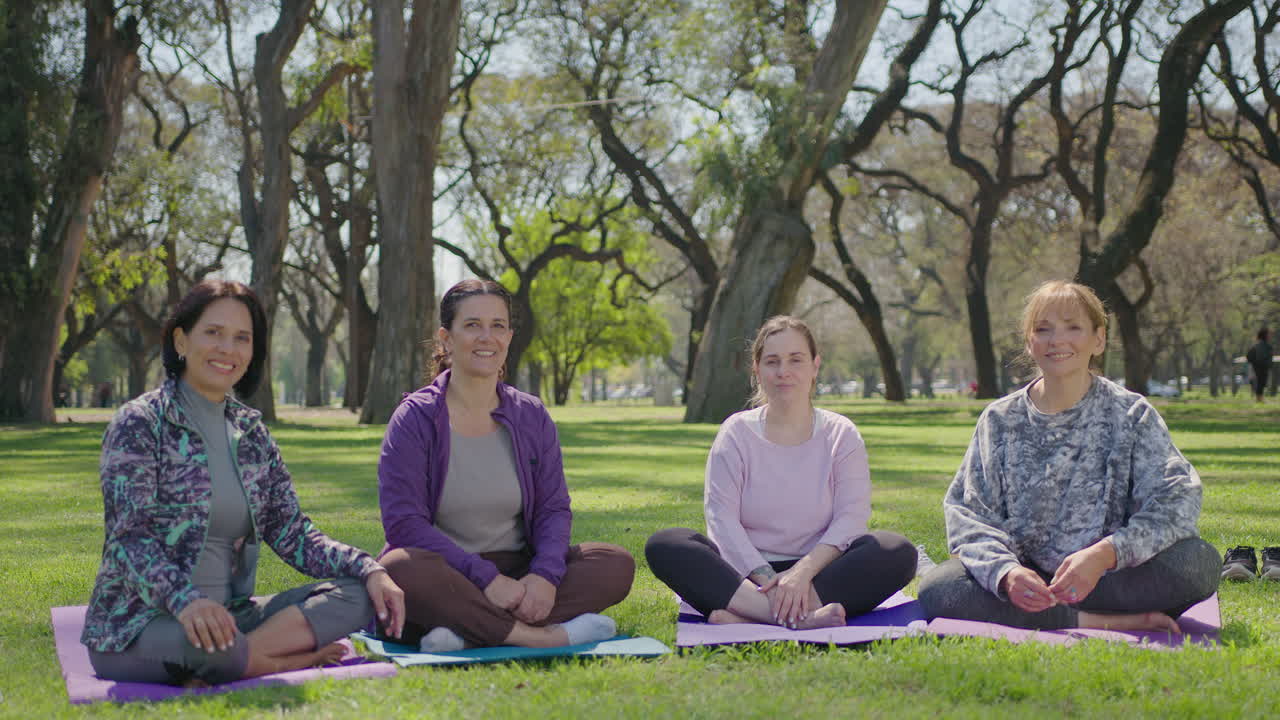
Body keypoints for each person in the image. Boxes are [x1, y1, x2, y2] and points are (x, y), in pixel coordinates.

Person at [81, 279, 404, 687]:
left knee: (357, 595)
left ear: (253, 352)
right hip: (144, 623)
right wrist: (188, 602)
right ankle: (279, 661)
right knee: (212, 646)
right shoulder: (140, 423)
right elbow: (130, 540)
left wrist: (370, 568)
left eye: (241, 338)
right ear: (181, 341)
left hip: (234, 617)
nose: (227, 349)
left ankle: (244, 657)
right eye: (213, 333)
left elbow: (292, 533)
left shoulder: (252, 433)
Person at [918, 280, 1219, 632]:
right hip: (1028, 584)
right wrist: (1007, 573)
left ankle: (1052, 618)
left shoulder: (1132, 414)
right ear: (1029, 342)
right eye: (1043, 330)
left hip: (1108, 575)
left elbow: (1177, 500)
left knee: (1199, 563)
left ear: (1099, 339)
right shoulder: (999, 420)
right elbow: (968, 515)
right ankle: (1100, 622)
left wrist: (1106, 554)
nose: (1057, 341)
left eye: (1073, 328)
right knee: (939, 587)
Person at [377, 279, 634, 651]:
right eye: (472, 325)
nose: (487, 337)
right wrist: (484, 580)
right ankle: (539, 636)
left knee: (614, 563)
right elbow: (403, 524)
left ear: (510, 337)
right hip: (446, 572)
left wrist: (544, 576)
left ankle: (464, 631)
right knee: (399, 568)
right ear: (446, 339)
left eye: (497, 326)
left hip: (519, 572)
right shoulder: (414, 418)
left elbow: (553, 507)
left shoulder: (530, 415)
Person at [645, 316, 917, 629]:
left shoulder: (841, 433)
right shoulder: (735, 433)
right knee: (667, 544)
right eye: (772, 361)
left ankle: (749, 617)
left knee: (897, 551)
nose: (783, 371)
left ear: (815, 366)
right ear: (757, 370)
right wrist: (767, 577)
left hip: (821, 571)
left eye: (795, 360)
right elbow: (721, 520)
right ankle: (796, 618)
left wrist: (802, 574)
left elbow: (851, 518)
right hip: (748, 575)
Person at [1246, 328, 1273, 402]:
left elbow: (1249, 356)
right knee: (1261, 382)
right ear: (1265, 335)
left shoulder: (1257, 345)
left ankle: (1259, 398)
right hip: (1262, 366)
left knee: (1261, 383)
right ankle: (1259, 399)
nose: (1270, 336)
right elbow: (1250, 356)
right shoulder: (1265, 346)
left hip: (1259, 366)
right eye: (1269, 334)